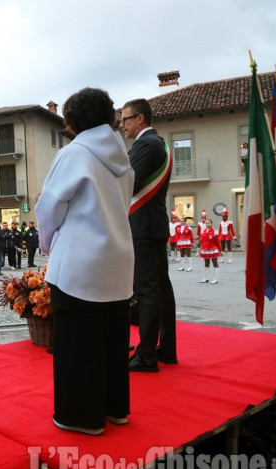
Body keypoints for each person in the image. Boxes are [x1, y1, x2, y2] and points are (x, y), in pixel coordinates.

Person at [37, 87, 134, 435]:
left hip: (79, 261)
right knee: (112, 339)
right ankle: (115, 408)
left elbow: (49, 207)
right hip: (118, 258)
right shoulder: (122, 157)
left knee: (78, 344)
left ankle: (81, 417)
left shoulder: (74, 153)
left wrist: (49, 245)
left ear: (73, 119)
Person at [121, 97, 177, 373]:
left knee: (147, 289)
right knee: (161, 288)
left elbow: (129, 183)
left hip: (142, 226)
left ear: (140, 118)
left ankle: (145, 355)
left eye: (125, 120)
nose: (122, 126)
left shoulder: (144, 144)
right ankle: (166, 348)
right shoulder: (161, 143)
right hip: (153, 224)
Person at [199, 218, 223, 284]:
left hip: (213, 249)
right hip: (205, 249)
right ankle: (206, 277)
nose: (207, 224)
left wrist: (220, 251)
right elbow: (202, 241)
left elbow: (218, 242)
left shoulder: (215, 231)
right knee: (206, 263)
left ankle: (215, 278)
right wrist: (201, 248)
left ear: (211, 223)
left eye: (208, 223)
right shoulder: (203, 231)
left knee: (214, 262)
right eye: (206, 223)